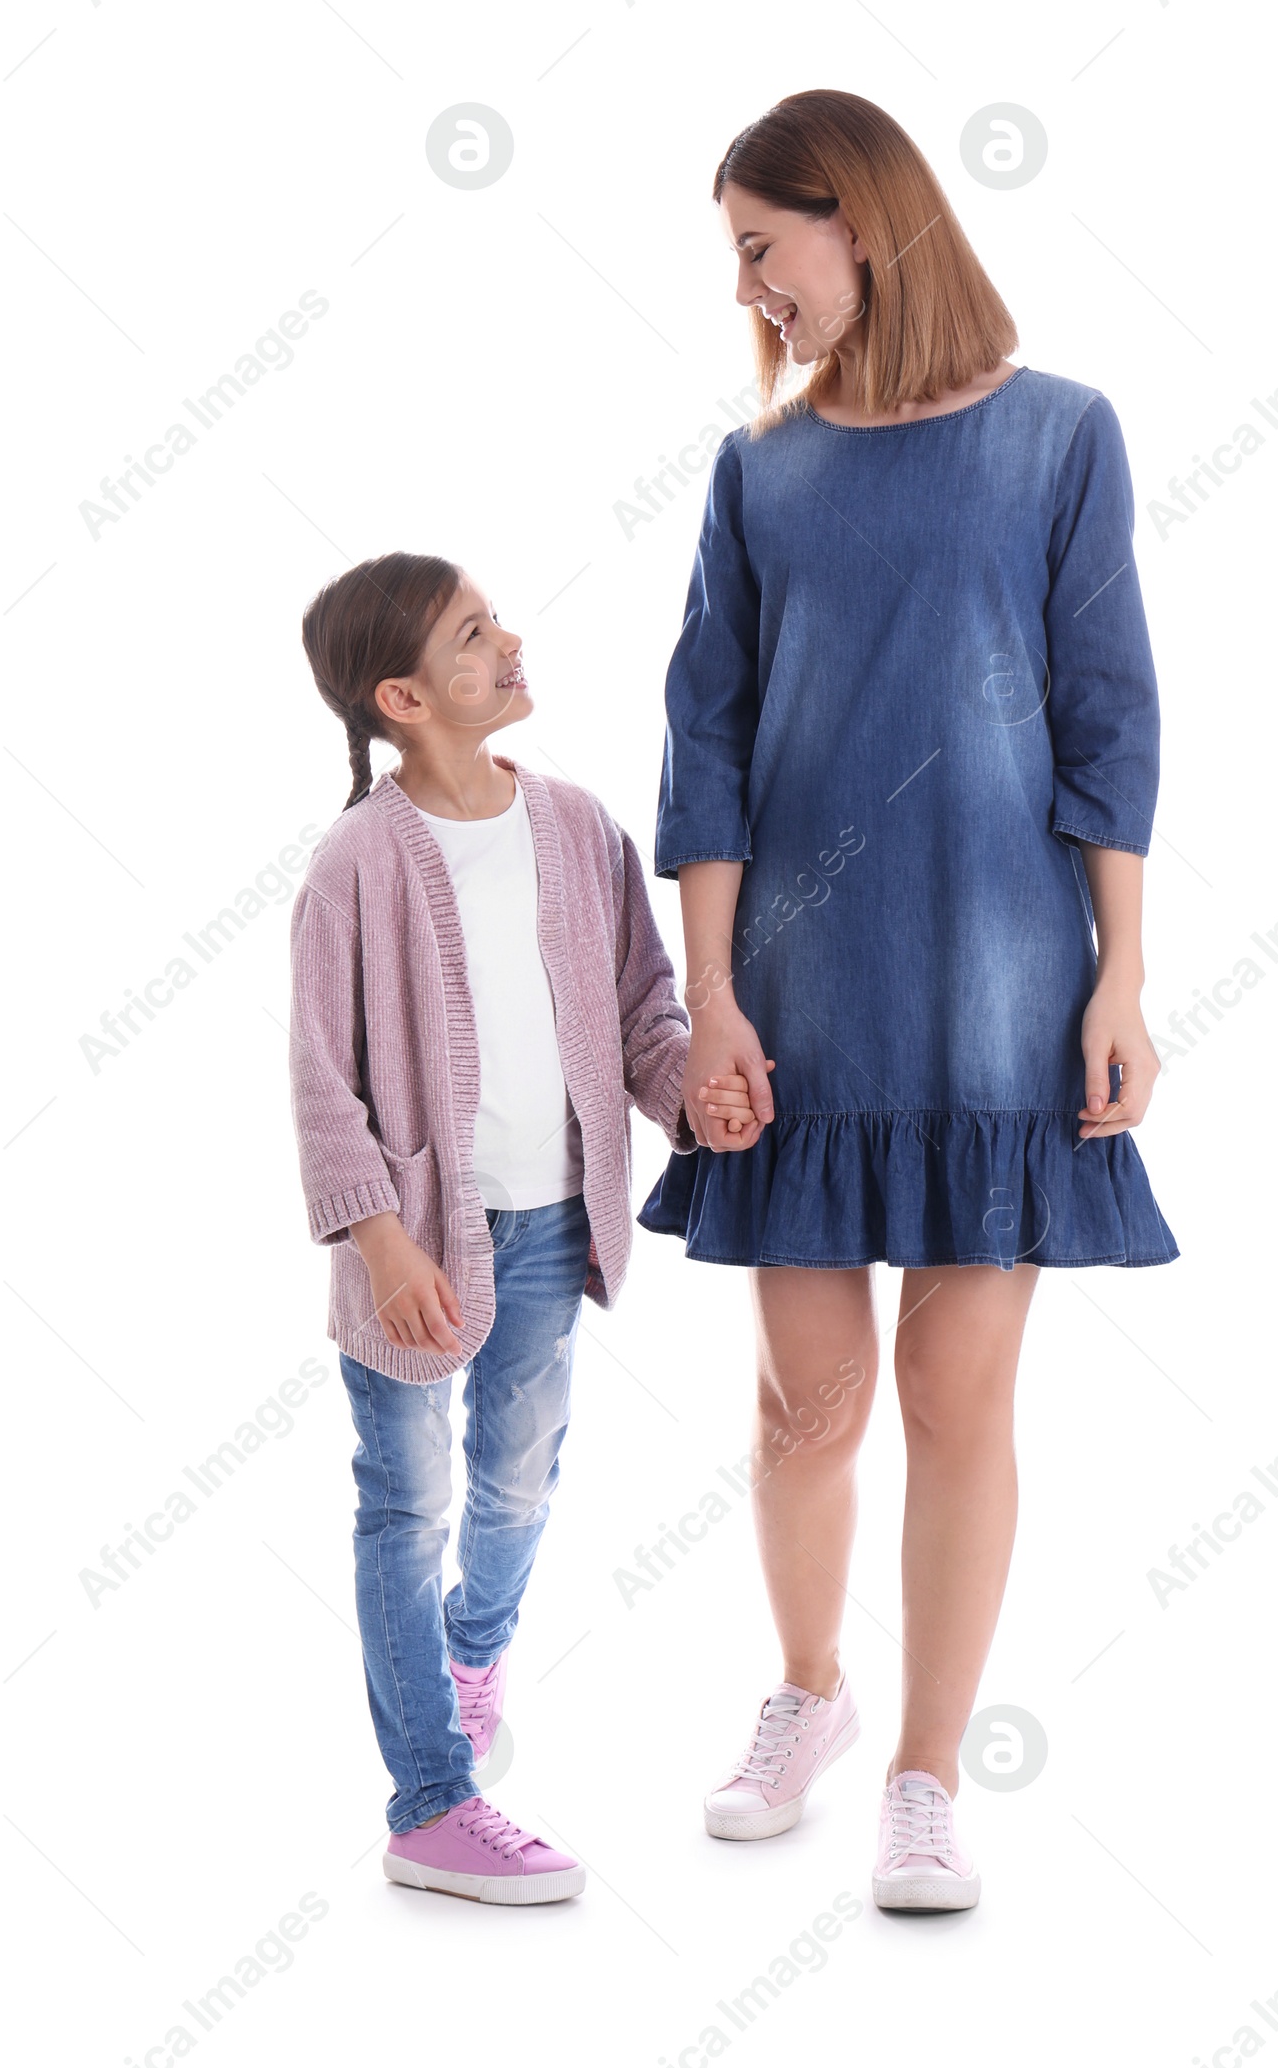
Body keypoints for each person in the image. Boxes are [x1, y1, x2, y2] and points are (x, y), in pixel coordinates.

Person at [639, 91, 1181, 1912]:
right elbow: (703, 743)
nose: (750, 287)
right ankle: (806, 1694)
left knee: (959, 1391)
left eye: (760, 246)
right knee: (809, 1398)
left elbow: (1111, 716)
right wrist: (706, 1002)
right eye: (737, 256)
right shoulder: (759, 471)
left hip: (1002, 989)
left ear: (856, 220)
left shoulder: (1059, 439)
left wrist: (1121, 972)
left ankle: (927, 1775)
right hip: (797, 997)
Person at [289, 551, 754, 1905]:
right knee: (405, 1501)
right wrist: (380, 1244)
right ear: (404, 698)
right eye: (472, 637)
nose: (507, 644)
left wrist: (692, 1102)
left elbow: (642, 1017)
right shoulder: (357, 865)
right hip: (418, 1247)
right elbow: (323, 1082)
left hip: (555, 1223)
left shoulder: (577, 827)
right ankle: (430, 1802)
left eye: (495, 622)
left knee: (515, 1481)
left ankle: (471, 1656)